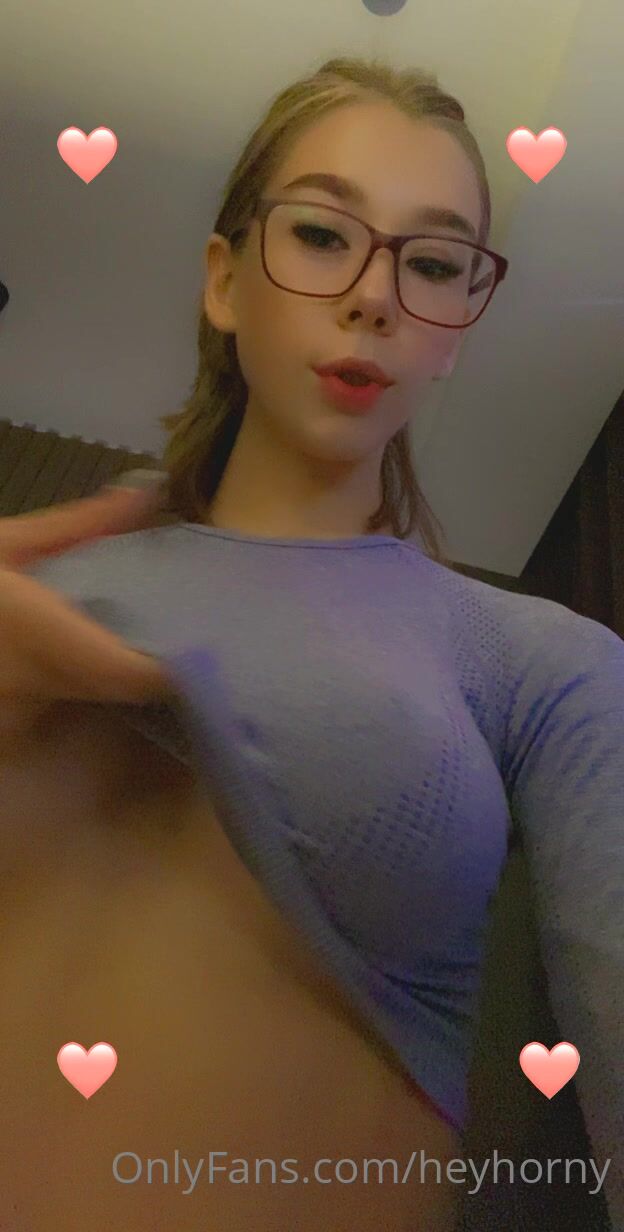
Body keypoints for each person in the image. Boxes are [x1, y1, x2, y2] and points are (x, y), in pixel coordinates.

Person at [1, 56, 622, 1232]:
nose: (376, 296)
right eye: (325, 235)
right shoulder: (45, 584)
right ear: (225, 280)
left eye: (432, 264)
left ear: (456, 331)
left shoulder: (537, 661)